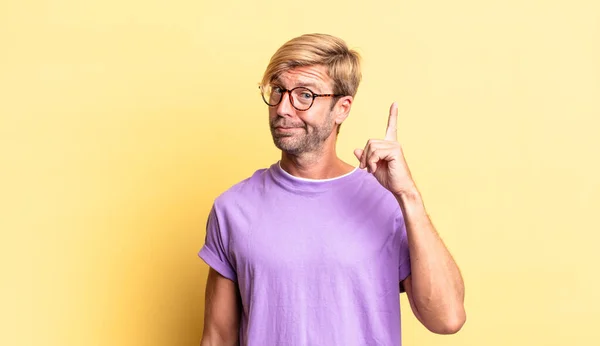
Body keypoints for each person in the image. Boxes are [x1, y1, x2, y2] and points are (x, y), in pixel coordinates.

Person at [198, 33, 466, 346]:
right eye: (278, 91)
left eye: (305, 95)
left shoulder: (387, 202)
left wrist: (407, 195)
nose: (283, 108)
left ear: (342, 108)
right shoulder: (233, 208)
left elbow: (447, 318)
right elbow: (217, 337)